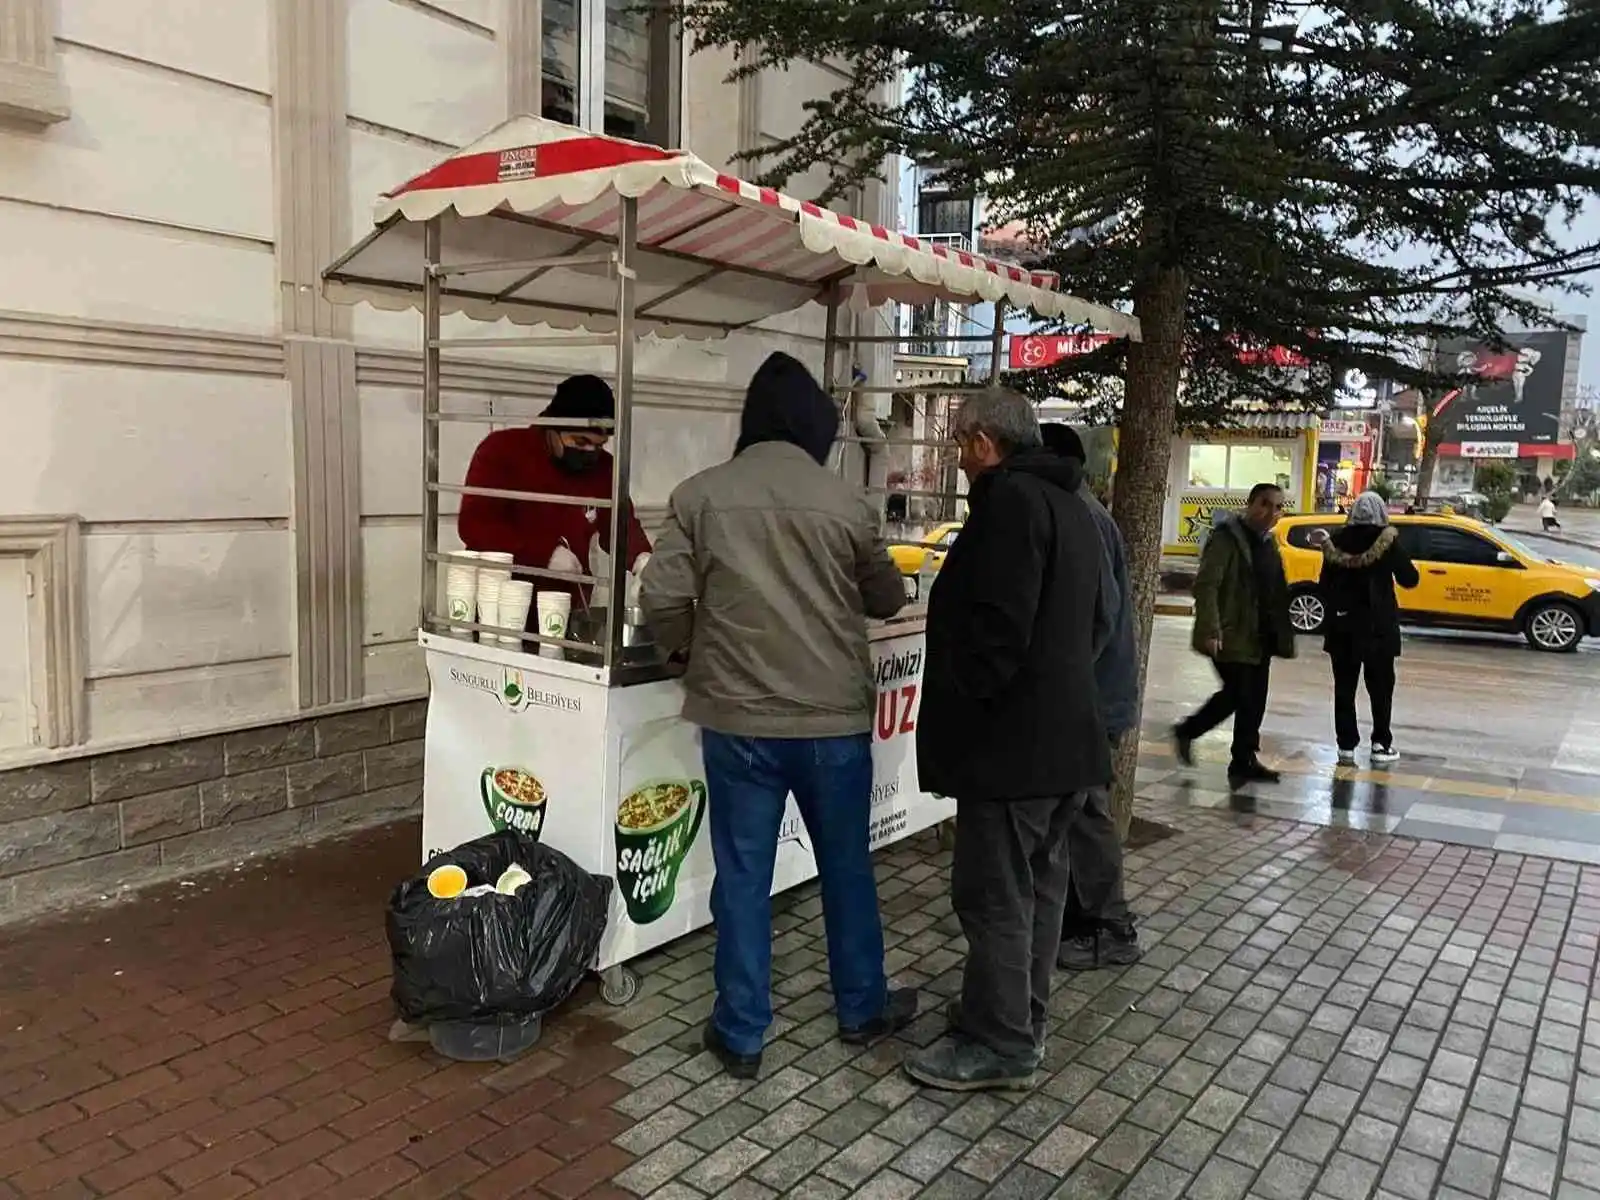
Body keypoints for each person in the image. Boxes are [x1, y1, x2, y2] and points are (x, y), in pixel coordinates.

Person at [639, 351, 916, 1080]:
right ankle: (861, 1009)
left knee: (742, 877)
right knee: (847, 870)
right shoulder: (845, 502)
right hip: (832, 727)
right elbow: (886, 599)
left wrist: (690, 659)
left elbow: (662, 601)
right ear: (814, 432)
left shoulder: (699, 495)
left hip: (737, 725)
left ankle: (740, 1031)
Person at [907, 391, 1111, 1093]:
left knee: (993, 895)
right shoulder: (1074, 506)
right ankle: (1019, 1016)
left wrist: (972, 714)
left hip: (1011, 751)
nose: (958, 462)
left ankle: (999, 1043)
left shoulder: (1008, 504)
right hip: (1066, 744)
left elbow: (995, 635)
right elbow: (1101, 623)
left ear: (984, 443)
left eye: (960, 446)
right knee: (1038, 890)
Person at [1038, 424, 1140, 970]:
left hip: (1093, 696)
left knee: (1087, 813)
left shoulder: (1082, 517)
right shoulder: (1077, 510)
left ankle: (1110, 927)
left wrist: (1061, 680)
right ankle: (1086, 919)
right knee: (1079, 810)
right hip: (1091, 692)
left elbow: (1098, 617)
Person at [457, 374, 650, 609]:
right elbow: (475, 525)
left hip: (567, 607)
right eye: (579, 442)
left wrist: (642, 559)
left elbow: (620, 526)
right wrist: (544, 554)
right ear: (553, 427)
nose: (589, 452)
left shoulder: (603, 468)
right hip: (500, 607)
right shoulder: (502, 451)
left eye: (598, 445)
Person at [1174, 482, 1295, 790]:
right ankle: (1188, 730)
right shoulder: (1227, 539)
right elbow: (1206, 585)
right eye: (1265, 504)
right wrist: (1211, 629)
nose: (1271, 512)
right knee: (1238, 694)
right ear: (1250, 504)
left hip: (1261, 636)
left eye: (1279, 507)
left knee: (1254, 701)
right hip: (1232, 634)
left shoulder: (1268, 543)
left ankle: (1243, 760)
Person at [1312, 492, 1419, 765]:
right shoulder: (1388, 541)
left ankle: (1346, 745)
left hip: (1344, 628)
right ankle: (1381, 744)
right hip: (1378, 628)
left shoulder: (1334, 541)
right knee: (1381, 689)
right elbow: (1410, 579)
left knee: (1344, 689)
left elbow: (1323, 586)